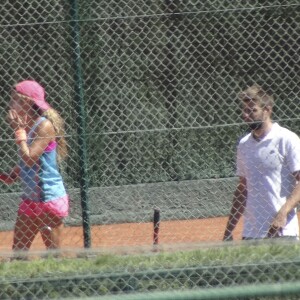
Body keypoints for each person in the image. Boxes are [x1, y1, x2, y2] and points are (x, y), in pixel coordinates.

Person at [0, 79, 69, 255]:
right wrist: (10, 175)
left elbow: (29, 158)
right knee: (18, 255)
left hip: (49, 200)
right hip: (31, 200)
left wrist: (18, 131)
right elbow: (27, 164)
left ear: (27, 103)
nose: (10, 104)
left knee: (54, 256)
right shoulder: (29, 126)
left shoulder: (44, 126)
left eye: (14, 99)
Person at [223, 84, 300, 241]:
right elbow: (242, 189)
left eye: (252, 110)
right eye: (244, 110)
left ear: (267, 110)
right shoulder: (244, 145)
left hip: (282, 232)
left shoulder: (287, 139)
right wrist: (229, 230)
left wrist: (283, 213)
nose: (246, 115)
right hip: (251, 233)